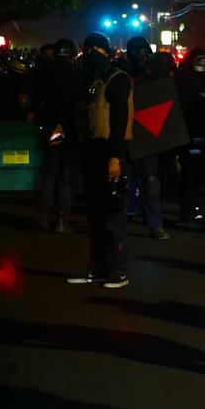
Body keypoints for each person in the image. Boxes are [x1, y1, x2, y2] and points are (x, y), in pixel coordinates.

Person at [66, 32, 133, 288]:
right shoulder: (91, 78)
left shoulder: (117, 79)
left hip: (110, 151)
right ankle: (97, 267)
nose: (86, 54)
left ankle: (119, 270)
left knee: (112, 215)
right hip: (91, 152)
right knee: (95, 216)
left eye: (89, 49)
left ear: (99, 50)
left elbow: (119, 121)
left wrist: (115, 157)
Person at [123, 35, 171, 240]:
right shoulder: (121, 73)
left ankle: (154, 224)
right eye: (138, 52)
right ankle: (122, 220)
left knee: (151, 180)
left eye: (144, 52)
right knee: (126, 180)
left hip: (149, 132)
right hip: (126, 132)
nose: (142, 56)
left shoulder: (155, 73)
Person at [34, 38, 82, 232]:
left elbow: (36, 100)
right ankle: (62, 220)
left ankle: (43, 218)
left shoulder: (45, 72)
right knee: (67, 175)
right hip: (68, 129)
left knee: (49, 172)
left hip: (49, 128)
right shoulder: (77, 73)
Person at [173, 47, 205, 229]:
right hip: (192, 131)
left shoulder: (195, 79)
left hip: (196, 132)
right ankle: (188, 213)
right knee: (191, 174)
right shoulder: (187, 80)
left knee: (193, 174)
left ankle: (190, 211)